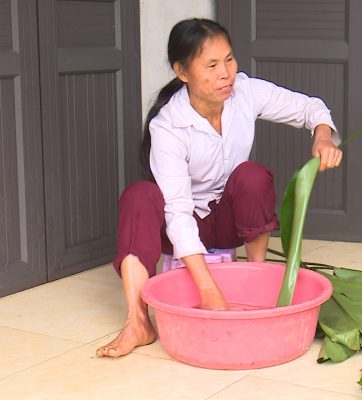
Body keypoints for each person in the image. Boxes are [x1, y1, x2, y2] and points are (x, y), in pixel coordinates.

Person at [96, 18, 342, 357]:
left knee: (252, 175)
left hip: (224, 223)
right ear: (182, 72)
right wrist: (208, 290)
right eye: (211, 65)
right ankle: (138, 322)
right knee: (139, 195)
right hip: (179, 228)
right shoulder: (168, 126)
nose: (225, 73)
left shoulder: (245, 92)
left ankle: (257, 283)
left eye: (229, 59)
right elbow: (178, 215)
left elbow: (309, 107)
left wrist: (323, 135)